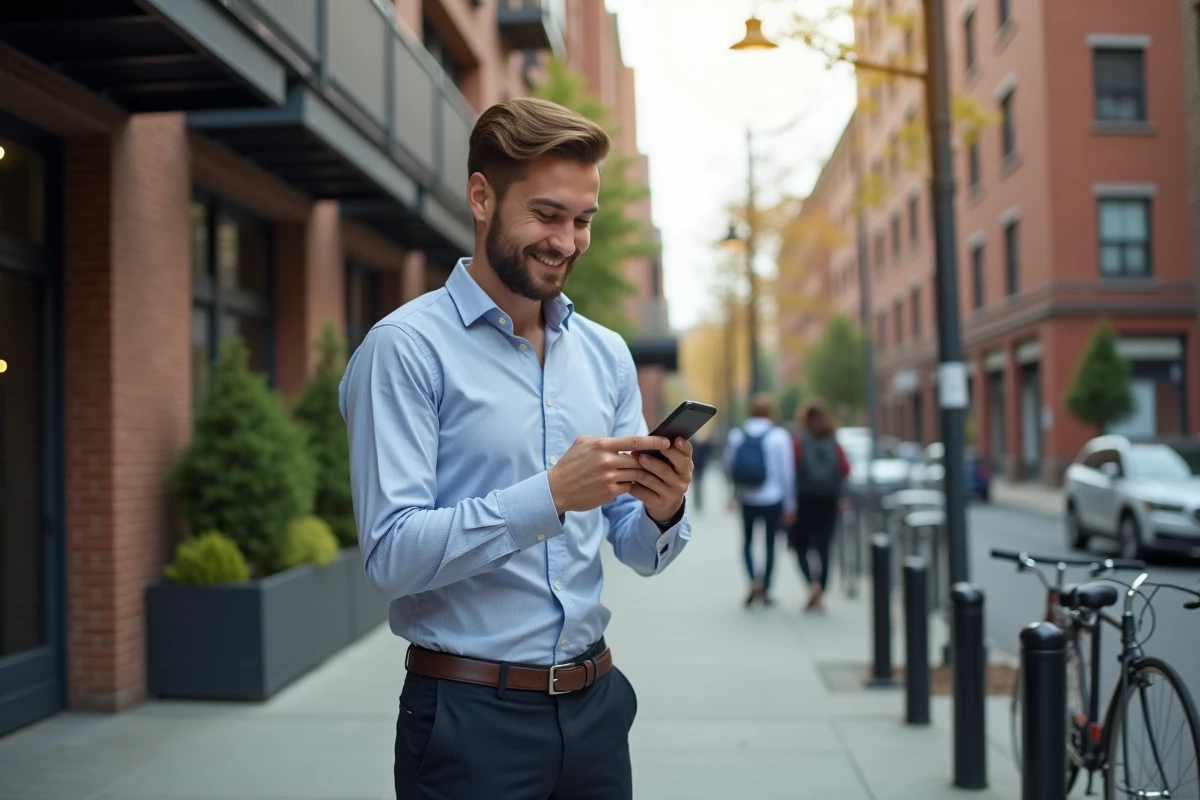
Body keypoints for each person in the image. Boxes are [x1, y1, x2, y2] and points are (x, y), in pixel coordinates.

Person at [339, 97, 694, 800]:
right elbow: (390, 554)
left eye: (582, 220)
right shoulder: (406, 351)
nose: (568, 241)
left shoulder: (606, 355)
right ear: (481, 197)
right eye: (547, 215)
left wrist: (662, 507)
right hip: (470, 723)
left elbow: (632, 545)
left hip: (596, 712)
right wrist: (552, 495)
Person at [723, 394, 796, 607]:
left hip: (747, 497)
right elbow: (787, 473)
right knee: (771, 544)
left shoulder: (738, 435)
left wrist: (733, 494)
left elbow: (730, 467)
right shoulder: (779, 436)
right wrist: (790, 504)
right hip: (773, 498)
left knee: (747, 541)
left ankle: (753, 580)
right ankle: (766, 587)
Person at [788, 400, 850, 612]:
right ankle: (821, 589)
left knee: (800, 547)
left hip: (803, 500)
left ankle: (811, 585)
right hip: (828, 500)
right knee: (824, 548)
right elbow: (845, 468)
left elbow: (790, 471)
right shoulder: (833, 441)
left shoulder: (799, 442)